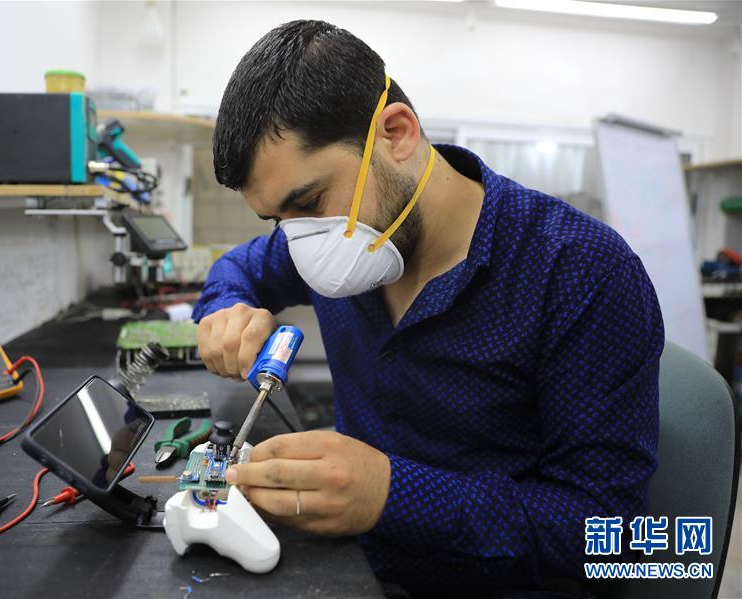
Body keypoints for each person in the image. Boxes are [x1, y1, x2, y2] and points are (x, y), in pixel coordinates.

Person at [191, 19, 664, 597]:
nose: (303, 242)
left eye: (310, 202)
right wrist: (226, 310)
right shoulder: (326, 240)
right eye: (278, 220)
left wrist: (394, 495)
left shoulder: (579, 271)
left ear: (396, 134)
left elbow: (611, 533)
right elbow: (236, 269)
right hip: (355, 571)